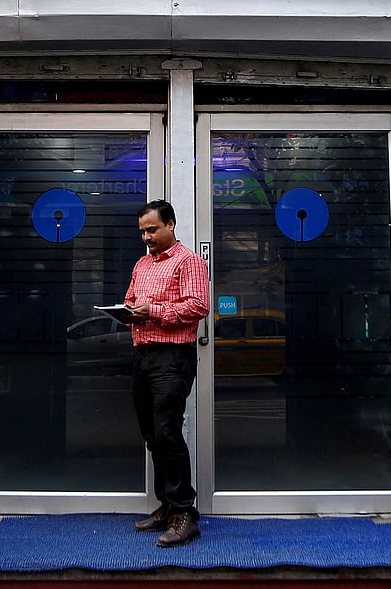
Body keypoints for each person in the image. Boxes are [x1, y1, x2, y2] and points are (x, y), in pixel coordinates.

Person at [124, 199, 210, 547]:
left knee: (167, 431)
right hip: (143, 355)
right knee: (152, 434)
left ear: (170, 224)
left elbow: (199, 305)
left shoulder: (188, 261)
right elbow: (131, 300)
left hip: (172, 357)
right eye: (142, 231)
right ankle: (168, 506)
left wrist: (154, 311)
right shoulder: (142, 264)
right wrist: (126, 312)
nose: (147, 237)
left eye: (152, 229)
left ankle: (185, 514)